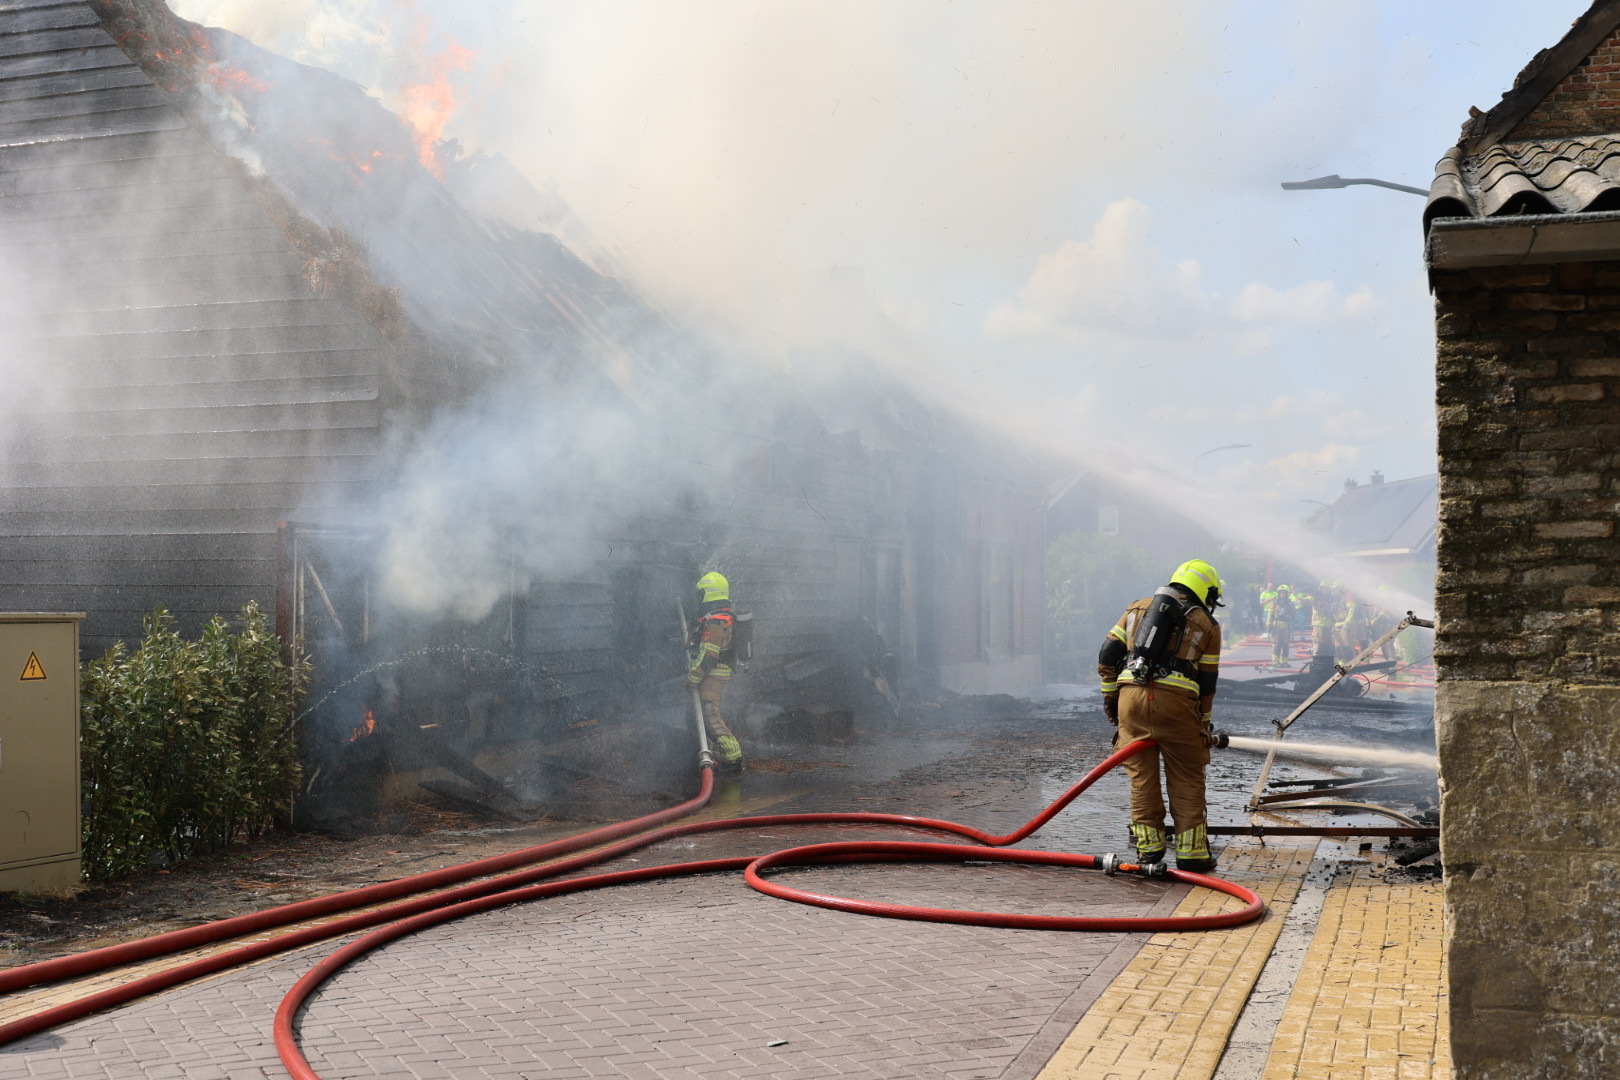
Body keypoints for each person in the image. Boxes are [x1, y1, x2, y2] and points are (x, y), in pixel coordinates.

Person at [1096, 558, 1224, 873]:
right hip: (1177, 707)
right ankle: (1192, 854)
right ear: (1204, 591)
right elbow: (1207, 684)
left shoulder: (1136, 608)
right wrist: (1204, 725)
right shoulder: (1208, 625)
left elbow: (1108, 655)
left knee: (1141, 779)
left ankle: (1149, 851)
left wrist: (1111, 696)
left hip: (1131, 702)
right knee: (1187, 778)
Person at [687, 571, 745, 769]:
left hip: (715, 672)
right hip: (717, 671)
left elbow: (708, 656)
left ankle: (733, 756)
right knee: (703, 713)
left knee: (709, 712)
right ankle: (713, 753)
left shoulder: (715, 621)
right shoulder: (721, 617)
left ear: (706, 594)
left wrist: (694, 678)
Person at [1268, 584, 1295, 667]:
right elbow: (1271, 614)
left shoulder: (1290, 603)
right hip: (1277, 626)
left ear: (1287, 593)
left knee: (1286, 644)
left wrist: (1290, 616)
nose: (1282, 594)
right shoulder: (1275, 602)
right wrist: (1269, 625)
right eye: (1281, 592)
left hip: (1286, 626)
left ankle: (1284, 661)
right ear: (1279, 593)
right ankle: (1275, 662)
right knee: (1277, 644)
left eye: (1284, 592)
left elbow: (1294, 614)